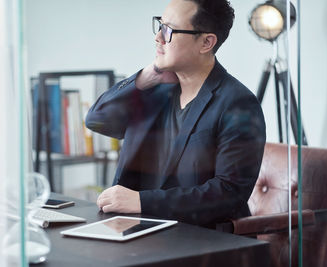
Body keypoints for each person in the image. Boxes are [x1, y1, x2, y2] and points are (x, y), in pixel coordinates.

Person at [86, 0, 266, 227]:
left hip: (201, 240)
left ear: (206, 42)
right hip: (136, 231)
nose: (158, 37)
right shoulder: (153, 91)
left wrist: (142, 201)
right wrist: (144, 77)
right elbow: (97, 120)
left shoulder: (237, 103)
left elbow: (229, 194)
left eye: (169, 30)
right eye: (160, 25)